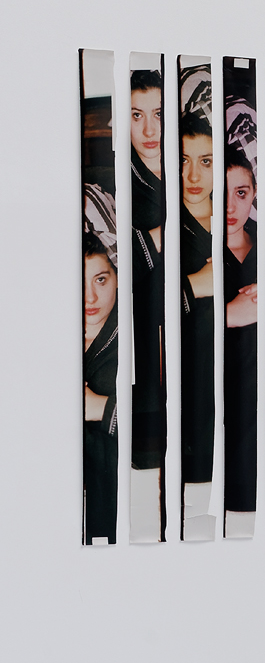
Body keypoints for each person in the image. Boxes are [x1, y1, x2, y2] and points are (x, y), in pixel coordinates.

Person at [129, 69, 166, 483]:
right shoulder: (121, 178)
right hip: (144, 313)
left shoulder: (193, 163)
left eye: (158, 113)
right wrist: (156, 239)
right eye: (137, 115)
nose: (150, 130)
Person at [179, 111, 215, 501]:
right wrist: (196, 285)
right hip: (185, 380)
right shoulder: (164, 225)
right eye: (183, 160)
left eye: (205, 161)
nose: (193, 175)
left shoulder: (241, 219)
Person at [223, 143, 258, 515]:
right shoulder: (191, 248)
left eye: (241, 193)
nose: (230, 207)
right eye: (222, 193)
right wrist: (227, 315)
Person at [83, 227, 120, 543]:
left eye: (100, 280)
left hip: (123, 508)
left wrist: (99, 408)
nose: (89, 298)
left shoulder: (141, 335)